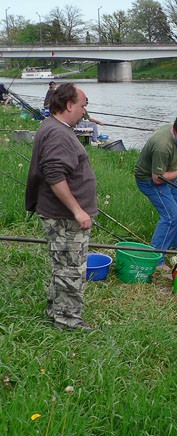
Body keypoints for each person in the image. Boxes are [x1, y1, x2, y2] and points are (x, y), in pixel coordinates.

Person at [25, 82, 97, 331]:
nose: (85, 112)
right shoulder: (57, 132)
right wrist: (77, 210)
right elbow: (54, 174)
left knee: (63, 266)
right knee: (71, 269)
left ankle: (55, 311)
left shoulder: (53, 127)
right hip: (65, 217)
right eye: (83, 106)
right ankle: (68, 322)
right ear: (69, 105)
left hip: (61, 214)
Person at [134, 113, 177, 270]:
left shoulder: (174, 132)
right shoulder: (163, 146)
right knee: (171, 216)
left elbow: (168, 157)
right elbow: (158, 179)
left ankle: (175, 251)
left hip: (167, 174)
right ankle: (156, 260)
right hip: (150, 181)